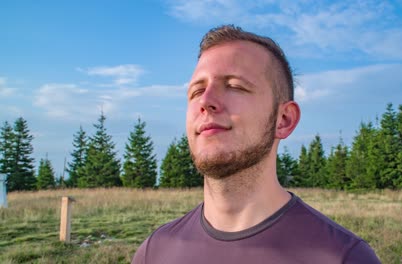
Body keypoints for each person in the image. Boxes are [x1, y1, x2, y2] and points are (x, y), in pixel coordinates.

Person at [133, 25, 381, 264]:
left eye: (234, 86)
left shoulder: (343, 257)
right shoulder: (154, 252)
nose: (206, 101)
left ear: (284, 120)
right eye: (197, 91)